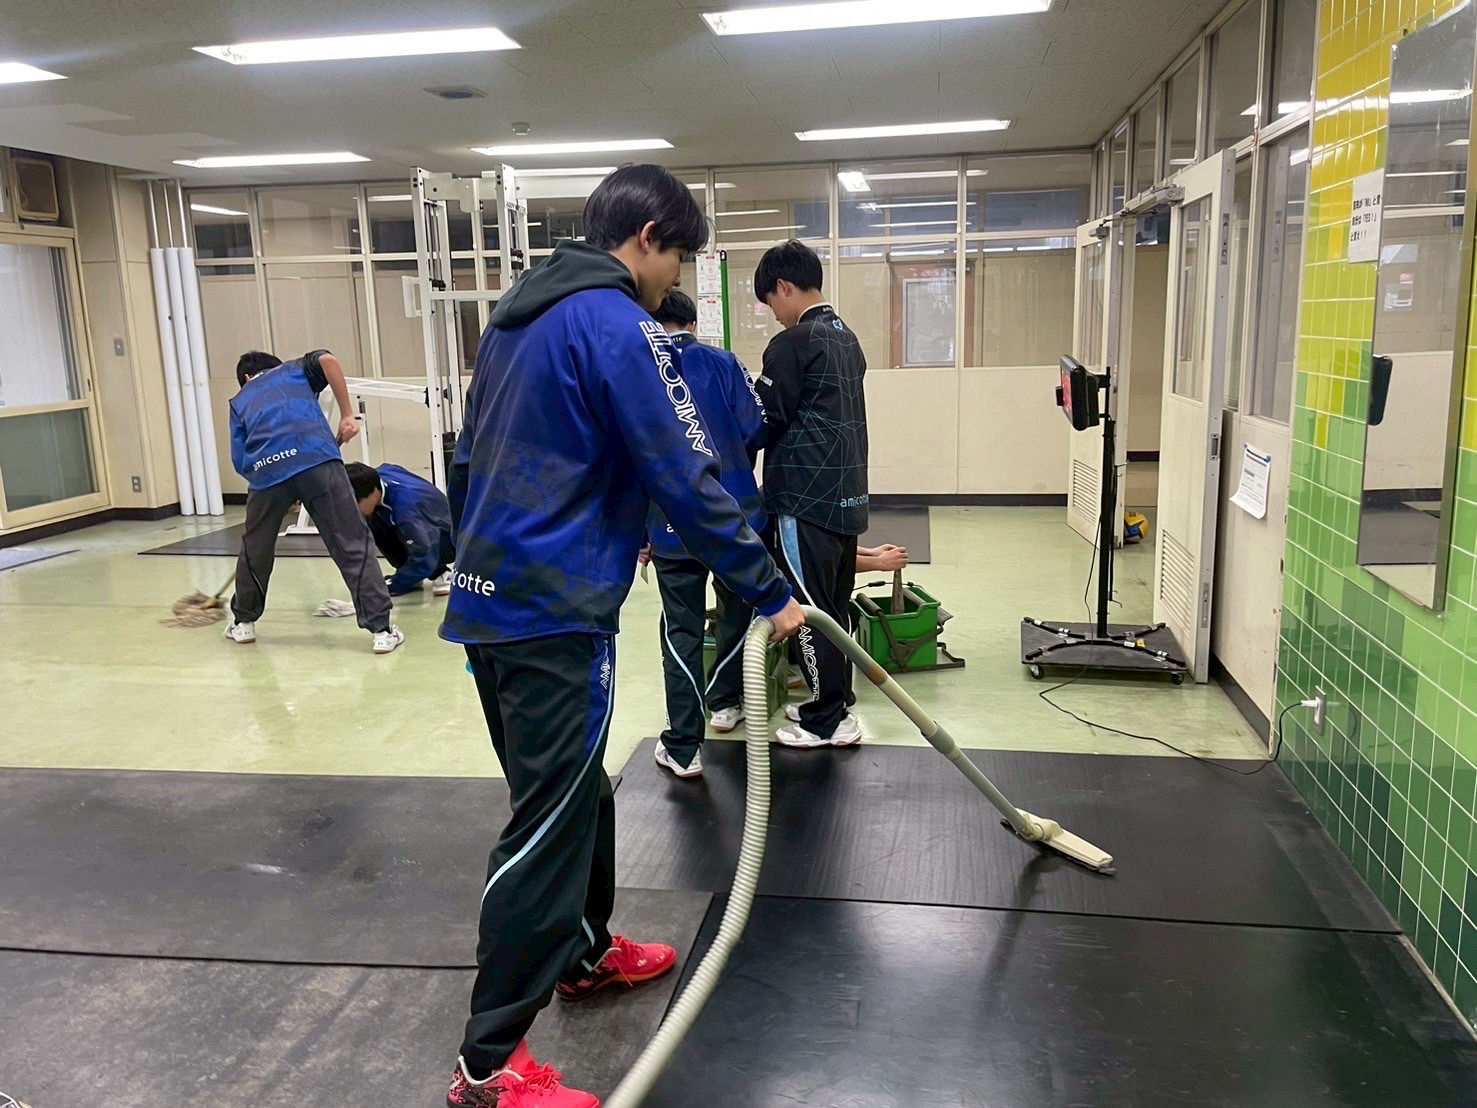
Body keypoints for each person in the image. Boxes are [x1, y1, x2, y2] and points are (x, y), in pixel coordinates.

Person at [440, 164, 805, 1108]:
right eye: (677, 255)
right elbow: (684, 470)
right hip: (552, 607)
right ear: (647, 238)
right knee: (546, 825)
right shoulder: (618, 324)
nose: (672, 275)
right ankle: (487, 1068)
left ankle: (584, 953)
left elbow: (467, 457)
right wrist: (768, 592)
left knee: (574, 794)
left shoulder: (514, 322)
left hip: (490, 597)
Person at [642, 290, 768, 780]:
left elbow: (628, 453)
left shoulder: (641, 368)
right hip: (733, 515)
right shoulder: (724, 363)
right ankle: (725, 702)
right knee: (739, 611)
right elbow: (755, 427)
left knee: (682, 629)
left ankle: (683, 746)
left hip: (670, 521)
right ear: (694, 324)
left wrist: (641, 531)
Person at [753, 240, 869, 749]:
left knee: (806, 609)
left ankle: (825, 720)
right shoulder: (847, 338)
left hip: (803, 499)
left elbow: (766, 418)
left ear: (783, 286)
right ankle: (838, 702)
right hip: (846, 495)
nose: (774, 314)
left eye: (770, 302)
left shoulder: (792, 343)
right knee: (834, 606)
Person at [225, 349, 403, 655]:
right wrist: (347, 415)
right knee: (351, 541)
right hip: (317, 461)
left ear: (246, 378)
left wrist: (274, 479)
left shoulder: (239, 401)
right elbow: (328, 360)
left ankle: (243, 623)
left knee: (255, 548)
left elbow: (240, 461)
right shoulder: (292, 370)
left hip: (267, 474)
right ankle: (382, 631)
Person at [345, 460, 456, 598]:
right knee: (374, 519)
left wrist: (394, 585)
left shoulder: (406, 512)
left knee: (376, 520)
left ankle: (441, 573)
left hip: (449, 539)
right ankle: (410, 575)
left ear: (372, 492)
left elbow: (424, 555)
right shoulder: (379, 475)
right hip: (425, 523)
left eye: (355, 505)